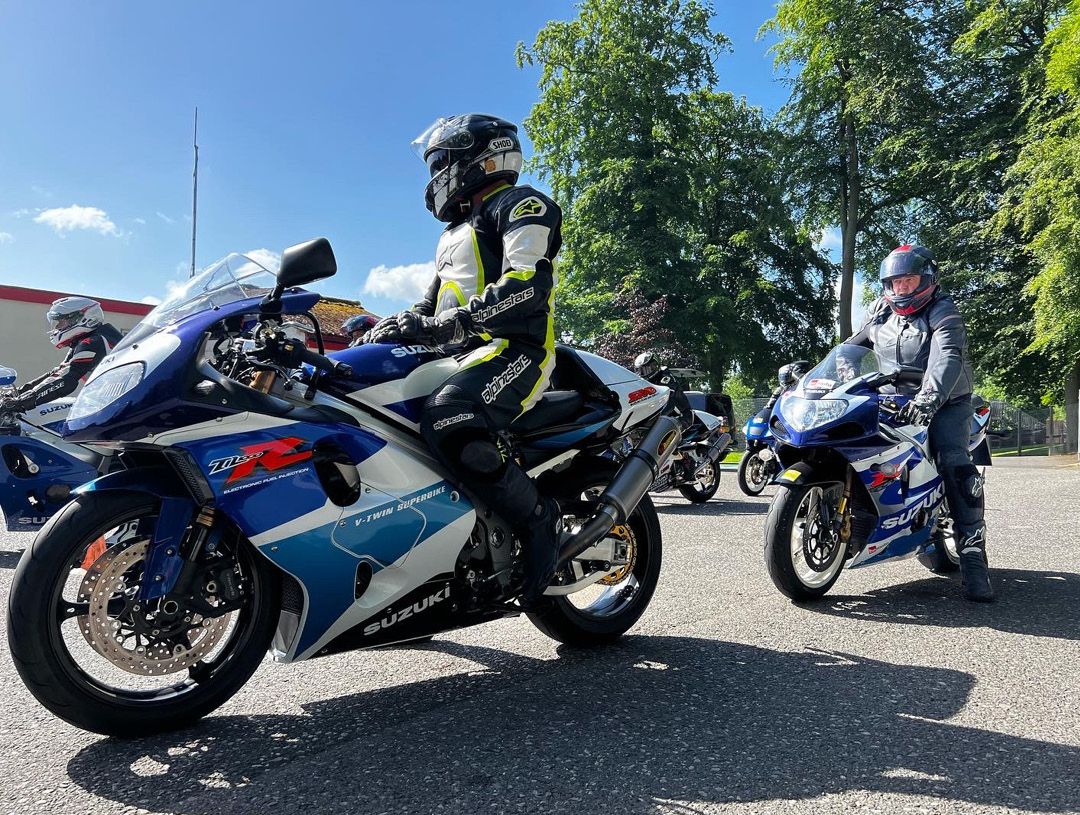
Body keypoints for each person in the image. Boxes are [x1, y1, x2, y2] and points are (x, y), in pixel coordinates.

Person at [365, 113, 562, 604]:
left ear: (477, 158)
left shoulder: (521, 205)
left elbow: (527, 282)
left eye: (442, 162)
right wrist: (398, 323)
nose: (436, 175)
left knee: (450, 415)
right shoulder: (454, 233)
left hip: (515, 350)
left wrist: (457, 324)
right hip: (460, 354)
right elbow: (432, 300)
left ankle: (540, 522)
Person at [843, 244, 992, 602]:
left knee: (952, 461)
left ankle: (973, 555)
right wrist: (843, 378)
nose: (902, 290)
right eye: (895, 283)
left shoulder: (944, 311)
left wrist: (929, 397)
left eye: (908, 281)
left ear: (926, 279)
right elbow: (851, 347)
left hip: (946, 402)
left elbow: (947, 356)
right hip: (892, 398)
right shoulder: (880, 311)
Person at [1, 297, 122, 413]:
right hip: (113, 402)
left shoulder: (94, 342)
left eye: (62, 321)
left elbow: (66, 379)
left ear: (82, 318)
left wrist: (22, 402)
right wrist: (17, 394)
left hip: (119, 406)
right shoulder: (86, 341)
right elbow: (57, 373)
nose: (57, 327)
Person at [633, 352, 693, 423]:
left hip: (682, 417)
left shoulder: (665, 377)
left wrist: (650, 420)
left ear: (654, 366)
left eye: (646, 370)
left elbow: (667, 401)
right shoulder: (648, 382)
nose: (642, 374)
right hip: (668, 416)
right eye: (640, 371)